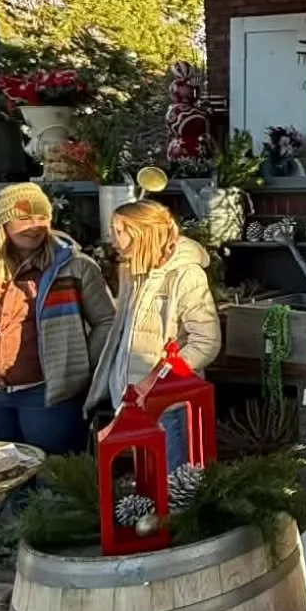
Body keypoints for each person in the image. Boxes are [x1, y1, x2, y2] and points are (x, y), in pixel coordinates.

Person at [0, 182, 114, 453]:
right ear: (2, 223)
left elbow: (106, 320)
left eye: (42, 217)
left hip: (47, 395)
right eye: (24, 218)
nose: (35, 225)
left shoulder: (74, 267)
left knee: (54, 478)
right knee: (1, 482)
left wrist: (80, 366)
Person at [86, 200, 220, 468]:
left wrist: (163, 379)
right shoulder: (133, 273)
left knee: (173, 482)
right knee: (147, 480)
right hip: (130, 401)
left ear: (143, 233)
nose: (113, 238)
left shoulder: (186, 274)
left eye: (120, 231)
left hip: (167, 406)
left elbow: (206, 340)